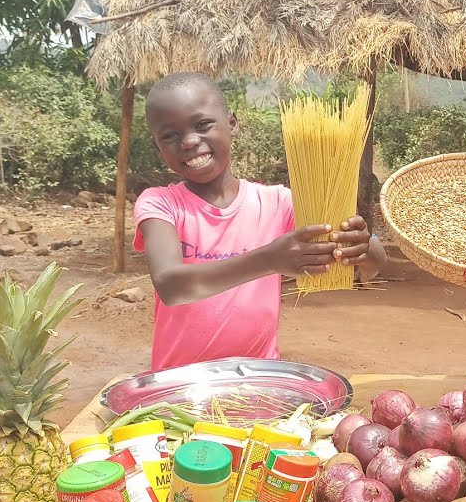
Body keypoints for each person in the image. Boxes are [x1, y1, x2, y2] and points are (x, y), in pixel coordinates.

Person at [134, 72, 387, 370]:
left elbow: (374, 264)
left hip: (259, 381)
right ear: (157, 146)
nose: (189, 141)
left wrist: (361, 246)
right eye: (170, 135)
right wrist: (269, 260)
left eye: (202, 125)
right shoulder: (159, 203)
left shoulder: (278, 203)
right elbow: (171, 286)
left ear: (232, 124)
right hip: (181, 385)